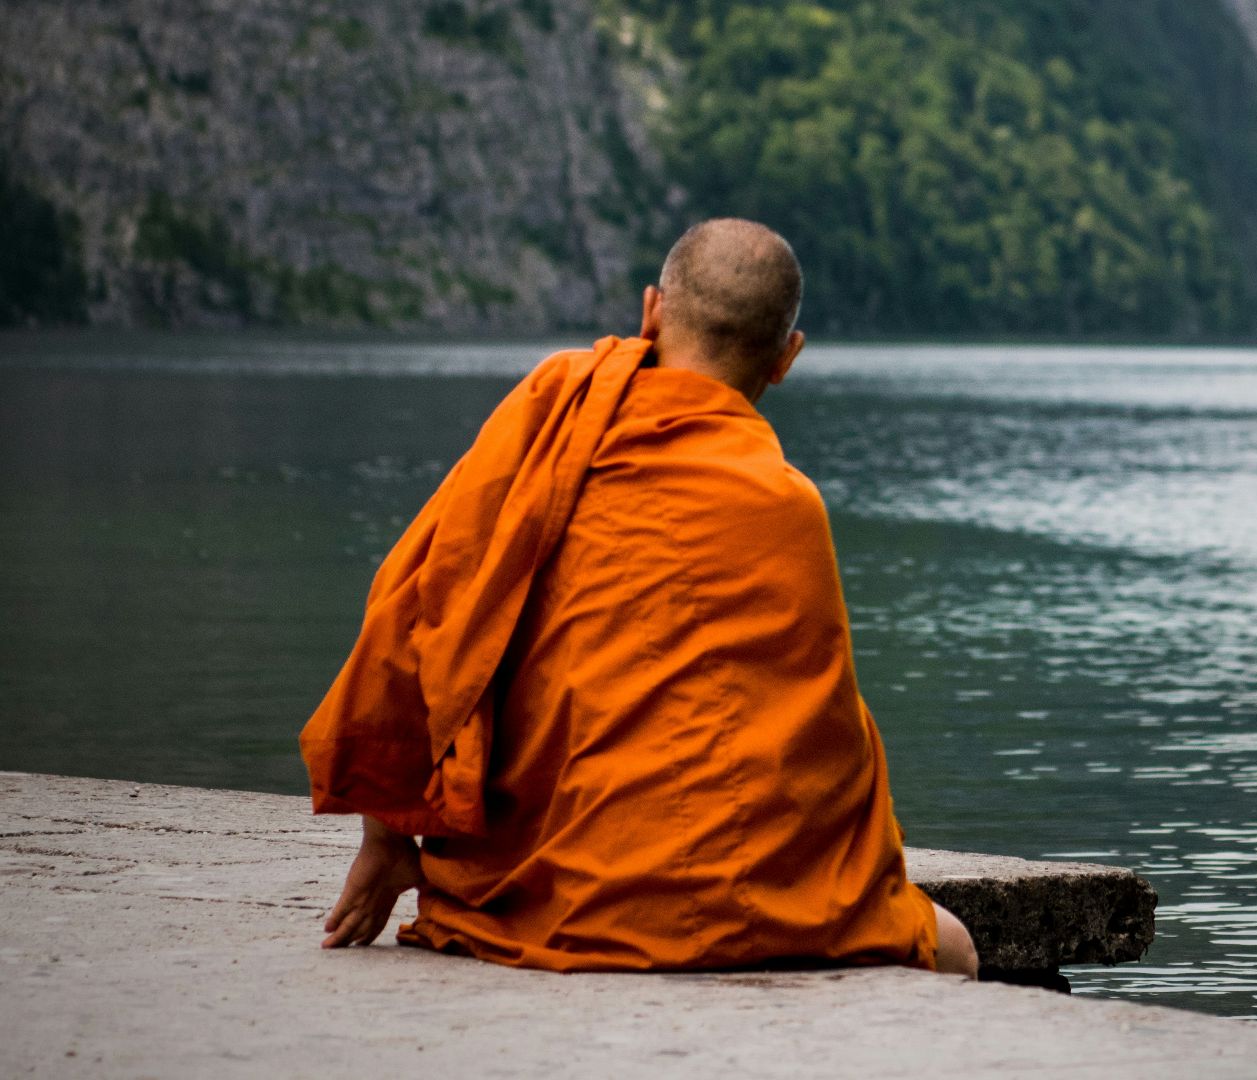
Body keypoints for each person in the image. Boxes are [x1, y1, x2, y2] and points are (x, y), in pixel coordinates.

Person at [300, 218, 977, 978]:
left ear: (652, 310)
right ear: (787, 359)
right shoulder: (789, 509)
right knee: (951, 949)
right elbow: (824, 754)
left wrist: (388, 840)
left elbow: (418, 606)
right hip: (756, 907)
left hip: (545, 893)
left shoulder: (552, 421)